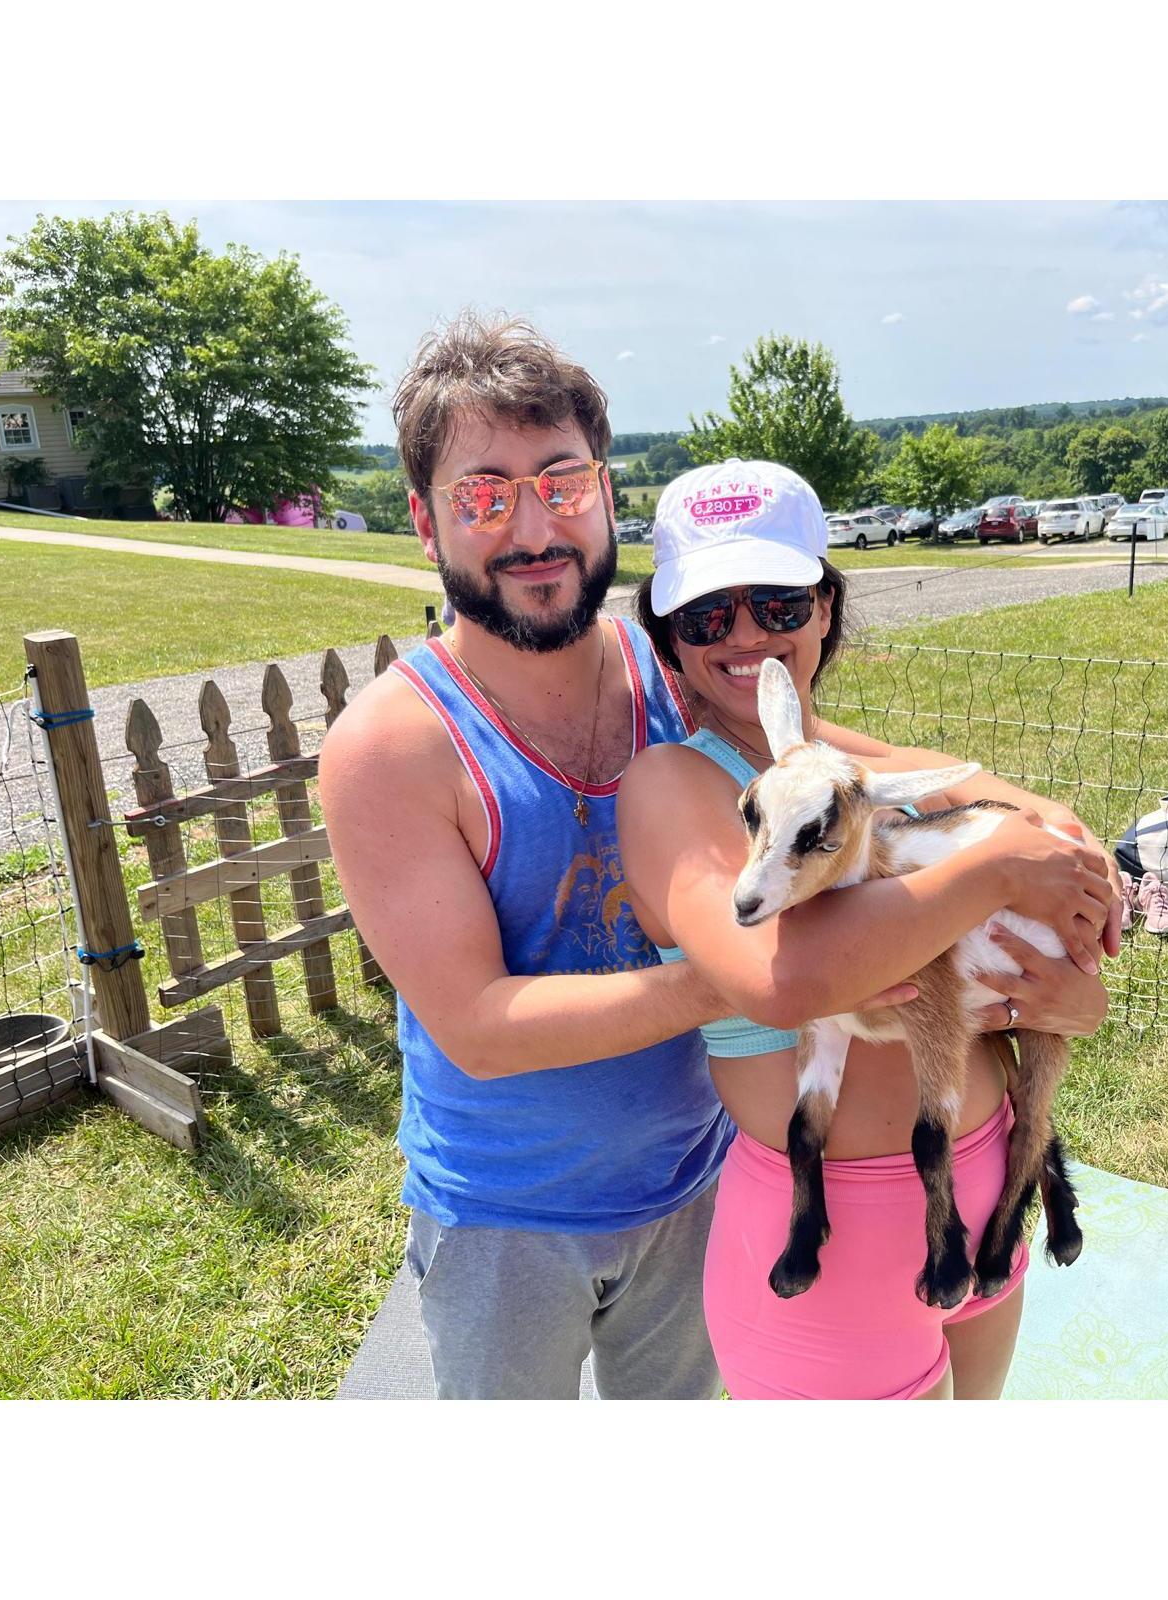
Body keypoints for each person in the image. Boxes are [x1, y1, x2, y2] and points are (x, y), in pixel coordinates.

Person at [320, 312, 1118, 1400]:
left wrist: (1042, 825)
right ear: (424, 519)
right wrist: (786, 972)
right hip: (516, 1214)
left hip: (704, 1171)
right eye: (482, 493)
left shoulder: (678, 674)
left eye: (559, 481)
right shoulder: (391, 748)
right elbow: (478, 1027)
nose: (531, 525)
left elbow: (859, 764)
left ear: (605, 492)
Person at [617, 458, 1114, 1399]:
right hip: (832, 1239)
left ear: (825, 609)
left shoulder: (854, 762)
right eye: (708, 617)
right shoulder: (674, 786)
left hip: (981, 1179)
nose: (750, 635)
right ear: (671, 644)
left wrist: (1070, 986)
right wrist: (1001, 867)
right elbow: (793, 979)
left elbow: (1047, 823)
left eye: (778, 602)